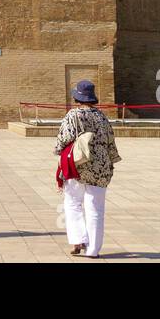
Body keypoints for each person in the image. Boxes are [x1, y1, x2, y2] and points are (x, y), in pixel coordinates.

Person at [54, 80, 120, 258]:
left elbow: (62, 140)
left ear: (77, 97)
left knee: (73, 203)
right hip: (100, 168)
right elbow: (111, 143)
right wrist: (110, 162)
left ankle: (78, 240)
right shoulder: (101, 117)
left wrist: (58, 154)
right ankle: (93, 250)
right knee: (96, 208)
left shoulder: (73, 115)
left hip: (78, 165)